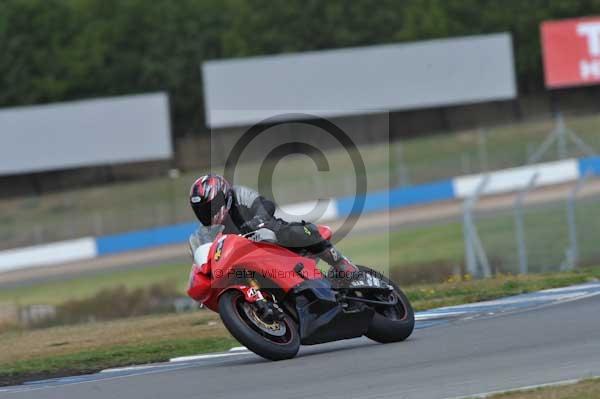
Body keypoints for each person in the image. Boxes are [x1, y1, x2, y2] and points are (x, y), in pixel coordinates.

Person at [189, 173, 358, 282]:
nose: (207, 213)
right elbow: (206, 257)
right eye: (202, 210)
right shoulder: (206, 233)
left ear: (224, 196)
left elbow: (264, 204)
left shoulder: (238, 194)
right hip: (246, 260)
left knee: (292, 232)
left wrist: (257, 220)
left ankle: (342, 264)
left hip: (267, 234)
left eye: (210, 206)